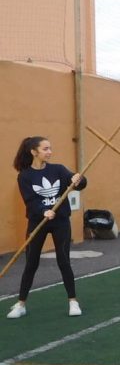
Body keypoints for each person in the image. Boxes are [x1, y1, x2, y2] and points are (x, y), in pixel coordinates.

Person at [7, 136, 87, 319]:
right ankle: (21, 304)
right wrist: (43, 211)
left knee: (63, 261)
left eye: (50, 148)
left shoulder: (58, 170)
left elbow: (79, 184)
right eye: (45, 149)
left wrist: (78, 179)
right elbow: (30, 201)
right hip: (38, 222)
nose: (49, 152)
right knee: (31, 262)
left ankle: (73, 301)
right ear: (34, 152)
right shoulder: (25, 176)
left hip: (60, 222)